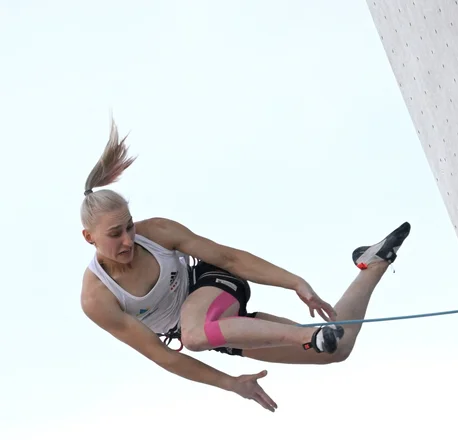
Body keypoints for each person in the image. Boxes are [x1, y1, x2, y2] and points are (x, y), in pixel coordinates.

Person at [80, 119, 411, 412]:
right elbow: (162, 355)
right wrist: (231, 383)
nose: (128, 240)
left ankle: (308, 334)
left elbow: (229, 258)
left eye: (129, 226)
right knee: (336, 349)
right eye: (115, 234)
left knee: (195, 334)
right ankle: (374, 262)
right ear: (89, 237)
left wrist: (295, 282)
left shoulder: (157, 233)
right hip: (216, 332)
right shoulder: (98, 299)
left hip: (211, 285)